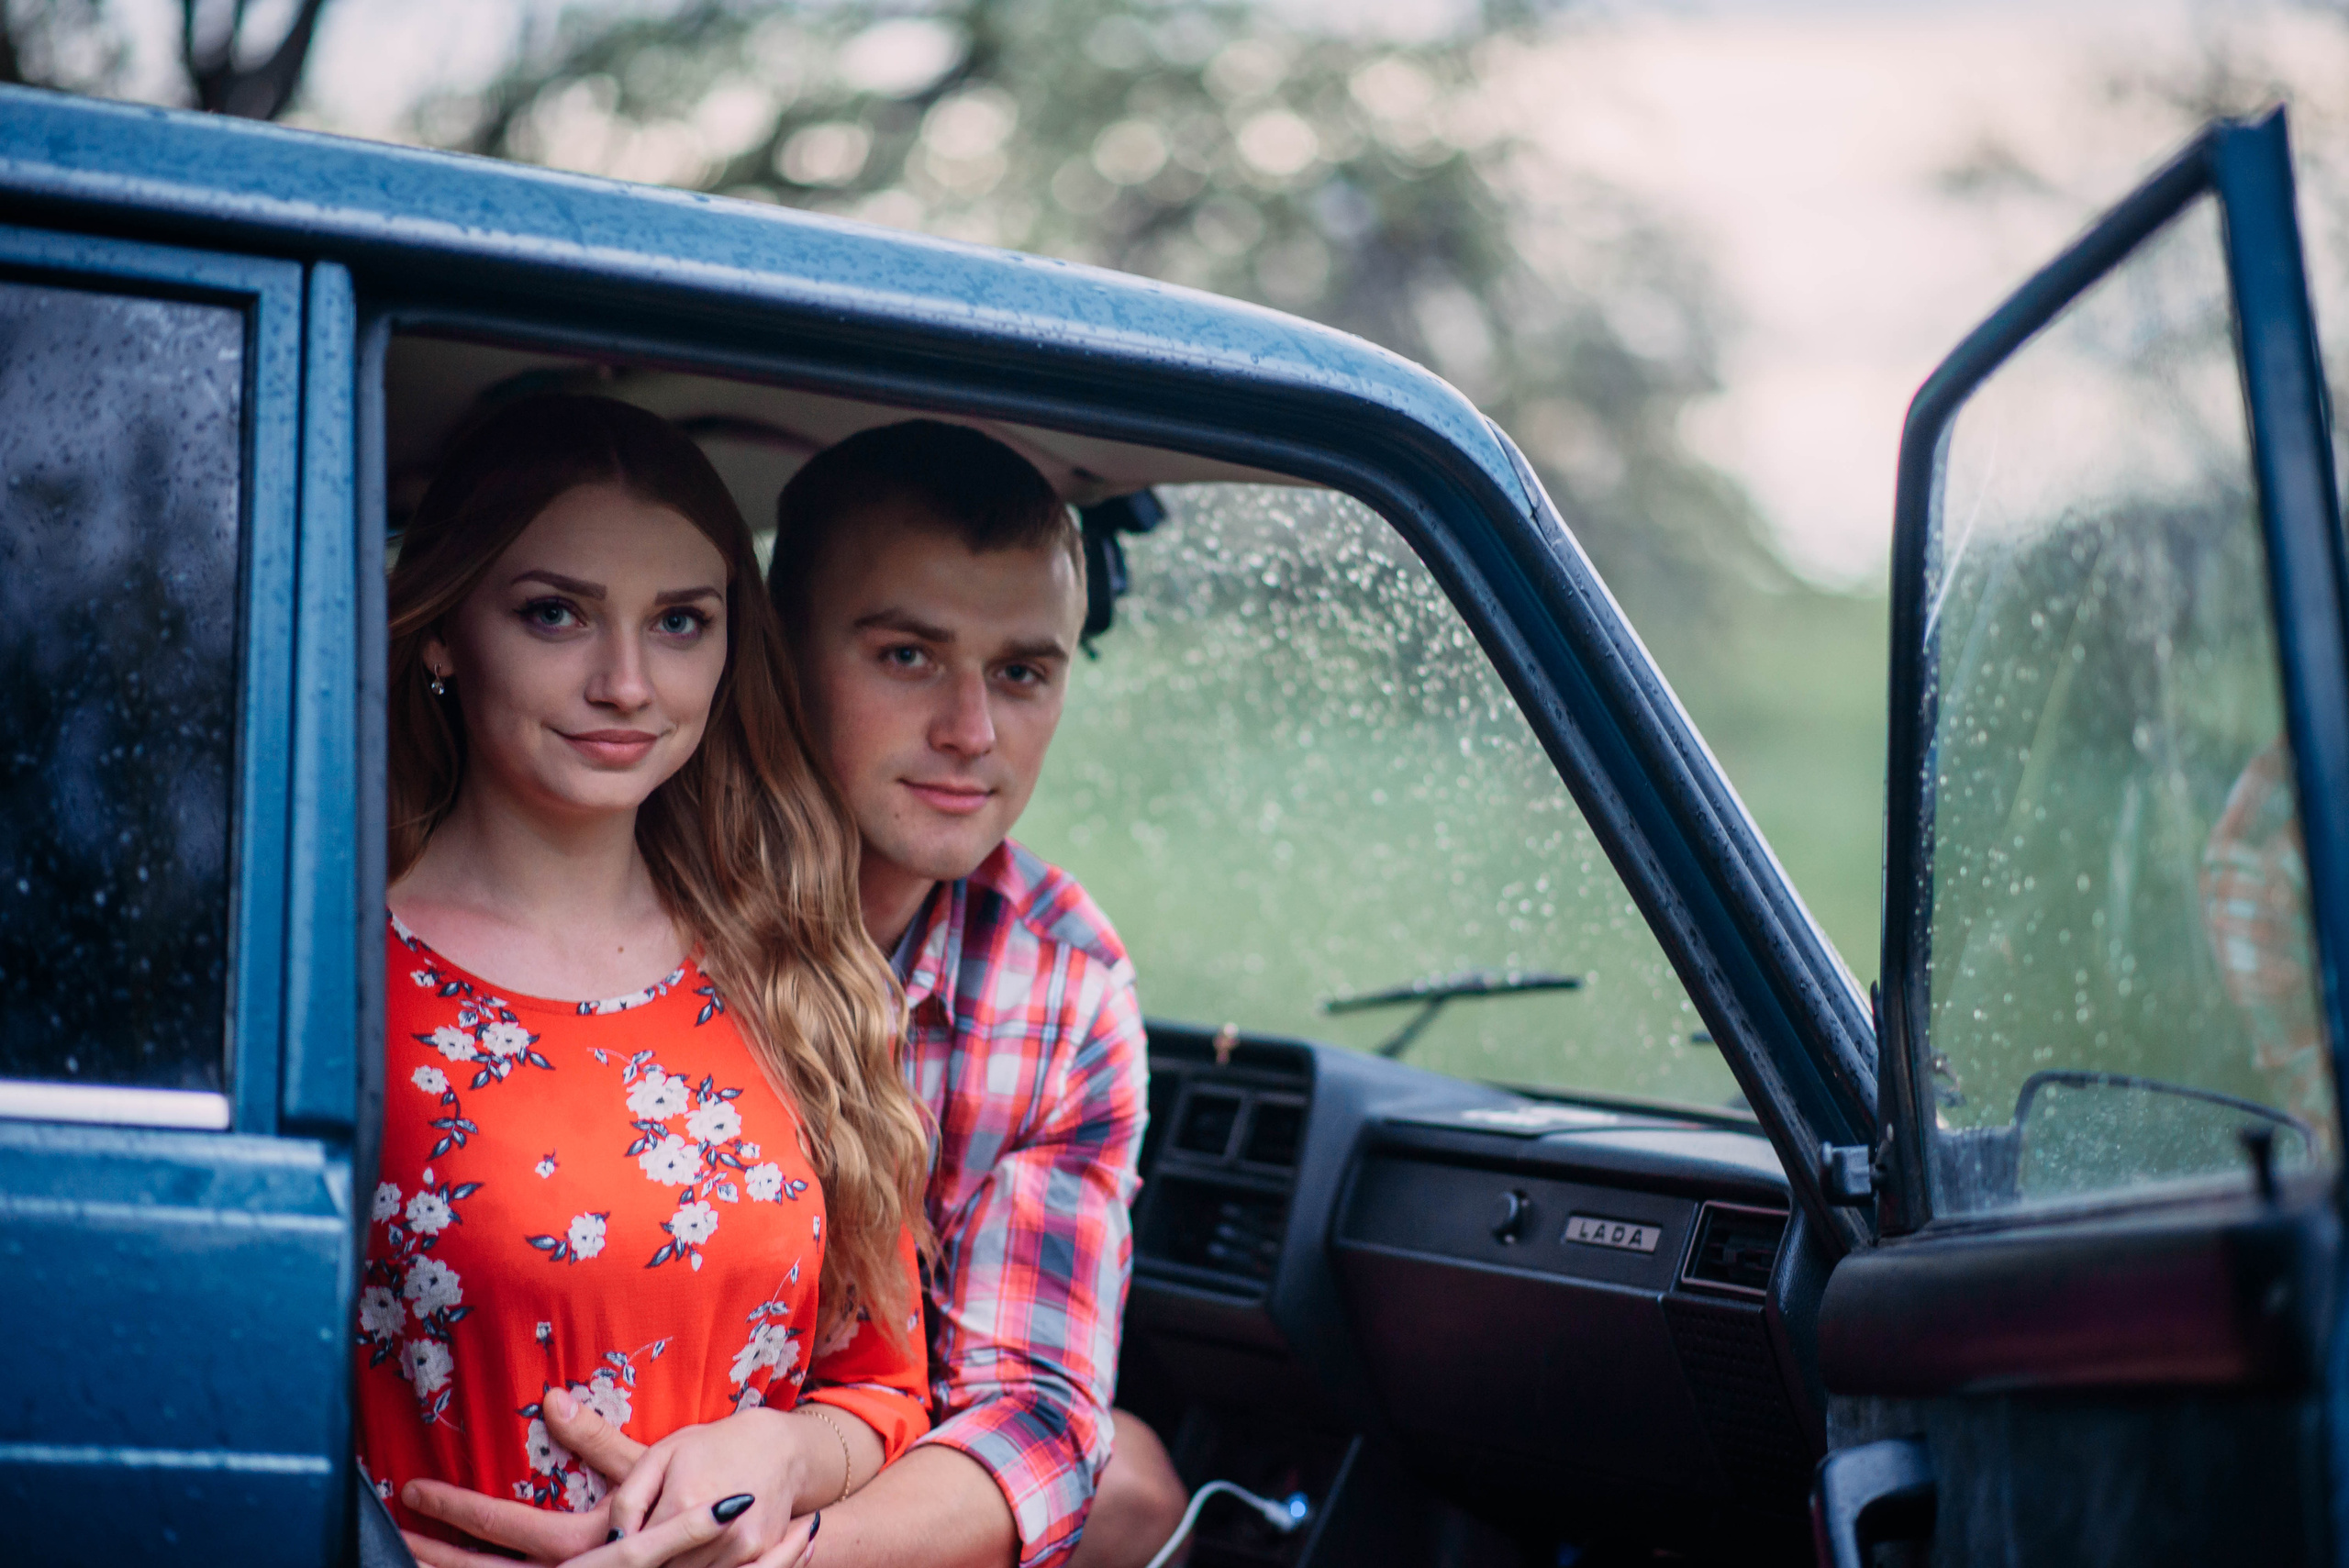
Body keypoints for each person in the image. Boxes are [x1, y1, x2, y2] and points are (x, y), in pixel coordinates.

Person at [404, 419, 1188, 1568]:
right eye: (907, 655)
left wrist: (755, 1538)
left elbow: (1026, 1413)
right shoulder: (559, 869)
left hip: (810, 1519)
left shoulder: (1055, 978)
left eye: (1021, 672)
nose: (970, 732)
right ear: (773, 646)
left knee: (1138, 1489)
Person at [368, 394, 934, 1568]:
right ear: (442, 631)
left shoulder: (798, 973)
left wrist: (777, 1458)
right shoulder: (333, 976)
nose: (626, 682)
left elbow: (881, 1389)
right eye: (556, 613)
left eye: (679, 621)